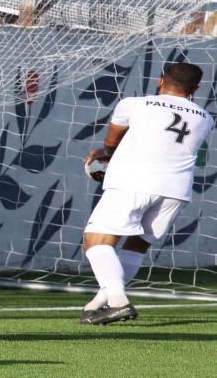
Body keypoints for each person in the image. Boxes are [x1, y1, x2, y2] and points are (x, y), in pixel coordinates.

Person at [80, 62, 213, 325]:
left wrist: (104, 156)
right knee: (138, 244)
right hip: (175, 191)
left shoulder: (134, 104)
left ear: (160, 80)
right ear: (195, 89)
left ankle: (119, 302)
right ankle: (97, 304)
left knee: (96, 242)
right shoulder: (205, 118)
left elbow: (112, 141)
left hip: (133, 182)